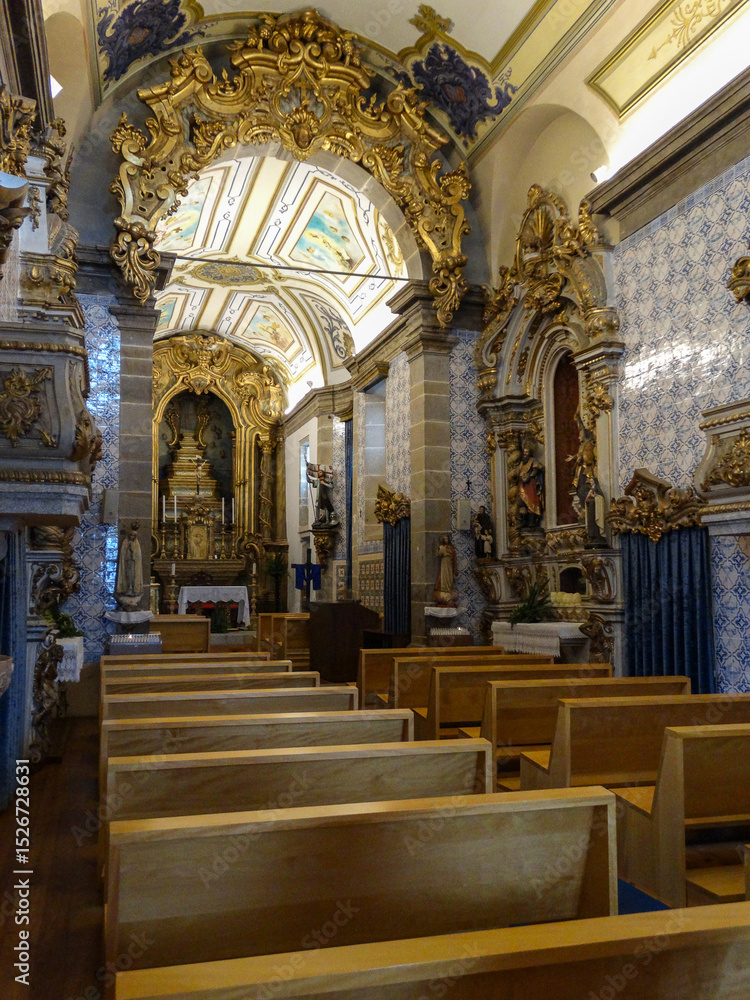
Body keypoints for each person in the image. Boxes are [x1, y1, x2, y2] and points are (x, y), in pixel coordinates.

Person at [517, 446, 545, 529]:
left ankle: (532, 521)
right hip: (522, 485)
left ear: (530, 453)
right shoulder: (522, 463)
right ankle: (524, 521)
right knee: (522, 503)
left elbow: (539, 467)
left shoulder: (533, 460)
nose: (525, 454)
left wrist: (530, 476)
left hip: (530, 485)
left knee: (532, 502)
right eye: (524, 452)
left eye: (527, 452)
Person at [116, 523, 143, 598]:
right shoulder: (126, 543)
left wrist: (133, 552)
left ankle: (133, 589)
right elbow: (123, 554)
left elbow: (138, 555)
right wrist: (128, 550)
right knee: (128, 576)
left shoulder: (136, 544)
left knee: (133, 577)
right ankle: (128, 588)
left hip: (134, 564)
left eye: (134, 536)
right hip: (128, 563)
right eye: (131, 535)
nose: (132, 537)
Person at [434, 534, 458, 607]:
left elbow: (454, 558)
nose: (446, 540)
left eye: (447, 539)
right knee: (444, 576)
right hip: (444, 564)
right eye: (445, 539)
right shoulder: (442, 547)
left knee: (449, 577)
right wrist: (437, 548)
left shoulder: (451, 548)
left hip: (450, 564)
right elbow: (438, 554)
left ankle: (449, 589)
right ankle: (444, 589)